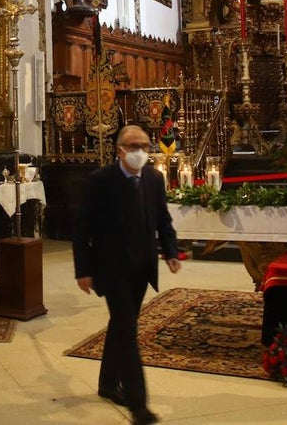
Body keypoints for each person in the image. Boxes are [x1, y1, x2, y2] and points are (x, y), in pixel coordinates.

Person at [73, 124, 182, 425]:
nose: (140, 152)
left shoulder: (153, 178)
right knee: (127, 333)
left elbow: (162, 219)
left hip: (142, 268)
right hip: (112, 268)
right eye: (134, 146)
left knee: (122, 324)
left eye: (145, 146)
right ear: (120, 150)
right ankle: (139, 407)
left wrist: (171, 252)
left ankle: (108, 383)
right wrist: (83, 270)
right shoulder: (100, 181)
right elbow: (82, 228)